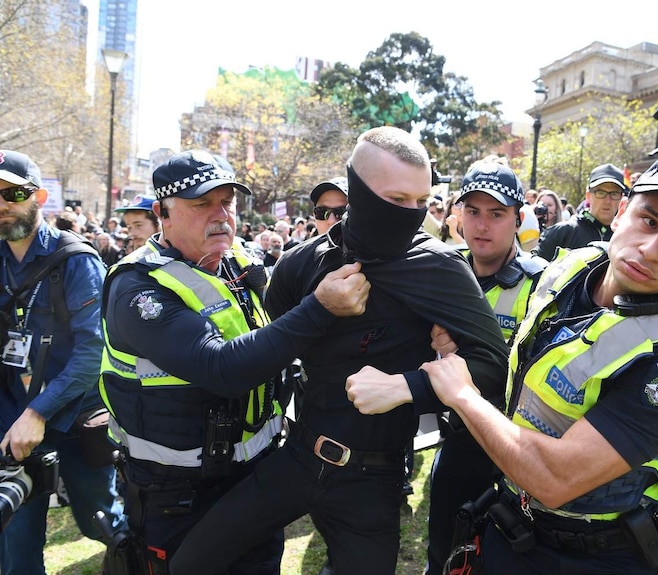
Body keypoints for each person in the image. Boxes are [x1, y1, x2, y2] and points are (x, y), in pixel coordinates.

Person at [169, 126, 509, 575]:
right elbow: (272, 340)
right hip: (297, 457)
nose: (410, 213)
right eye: (396, 200)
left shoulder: (439, 267)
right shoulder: (302, 262)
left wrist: (407, 386)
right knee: (192, 563)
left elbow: (493, 365)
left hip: (374, 480)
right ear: (358, 190)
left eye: (420, 202)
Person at [416, 153, 658, 575]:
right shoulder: (575, 265)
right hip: (516, 522)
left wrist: (462, 394)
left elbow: (554, 479)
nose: (651, 248)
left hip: (605, 554)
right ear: (622, 212)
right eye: (649, 220)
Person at [99, 149, 370, 574]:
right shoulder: (137, 288)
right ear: (161, 213)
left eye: (227, 201)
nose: (220, 214)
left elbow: (282, 333)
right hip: (176, 497)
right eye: (201, 203)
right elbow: (220, 369)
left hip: (256, 479)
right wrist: (319, 308)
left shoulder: (239, 263)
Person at [0, 150, 125, 575]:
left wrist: (38, 412)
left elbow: (93, 353)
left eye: (12, 193)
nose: (2, 203)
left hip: (72, 419)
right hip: (12, 423)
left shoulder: (76, 260)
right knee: (15, 540)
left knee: (101, 522)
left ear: (38, 195)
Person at [424, 159, 548, 575]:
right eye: (473, 212)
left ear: (518, 219)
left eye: (497, 214)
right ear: (457, 214)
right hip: (458, 444)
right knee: (442, 554)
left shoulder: (544, 284)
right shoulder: (444, 270)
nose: (482, 225)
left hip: (518, 453)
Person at [533, 164, 626, 261]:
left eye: (614, 194)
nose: (607, 200)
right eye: (601, 193)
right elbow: (535, 268)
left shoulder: (625, 238)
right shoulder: (564, 232)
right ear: (588, 196)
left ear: (622, 198)